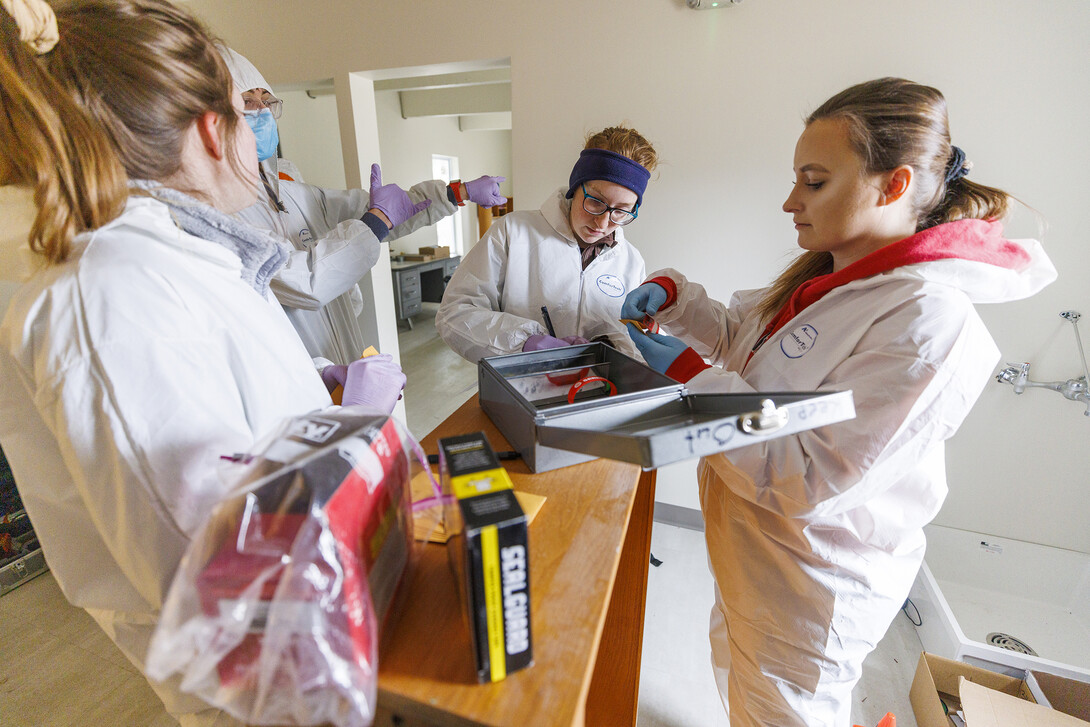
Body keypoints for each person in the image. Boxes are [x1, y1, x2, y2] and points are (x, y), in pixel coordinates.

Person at [0, 1, 403, 724]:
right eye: (250, 119)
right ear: (212, 132)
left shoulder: (175, 258)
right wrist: (348, 435)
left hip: (332, 630)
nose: (261, 141)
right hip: (283, 691)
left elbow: (220, 443)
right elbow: (231, 583)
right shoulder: (109, 291)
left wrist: (308, 401)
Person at [621, 78, 1056, 726]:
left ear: (895, 184)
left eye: (814, 181)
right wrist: (678, 302)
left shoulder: (928, 322)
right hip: (759, 562)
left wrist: (687, 374)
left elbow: (809, 477)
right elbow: (751, 346)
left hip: (810, 588)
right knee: (745, 698)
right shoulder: (834, 277)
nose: (791, 201)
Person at [221, 47, 508, 366]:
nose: (262, 111)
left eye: (267, 100)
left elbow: (389, 211)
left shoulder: (294, 194)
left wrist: (457, 191)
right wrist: (378, 219)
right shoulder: (223, 215)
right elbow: (307, 282)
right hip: (300, 374)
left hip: (340, 361)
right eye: (248, 101)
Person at [435, 125, 656, 363]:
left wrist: (617, 345)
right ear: (575, 188)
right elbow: (454, 314)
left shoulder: (630, 261)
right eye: (595, 201)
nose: (602, 222)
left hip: (599, 390)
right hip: (520, 390)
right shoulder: (514, 233)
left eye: (621, 211)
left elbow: (634, 337)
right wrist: (524, 344)